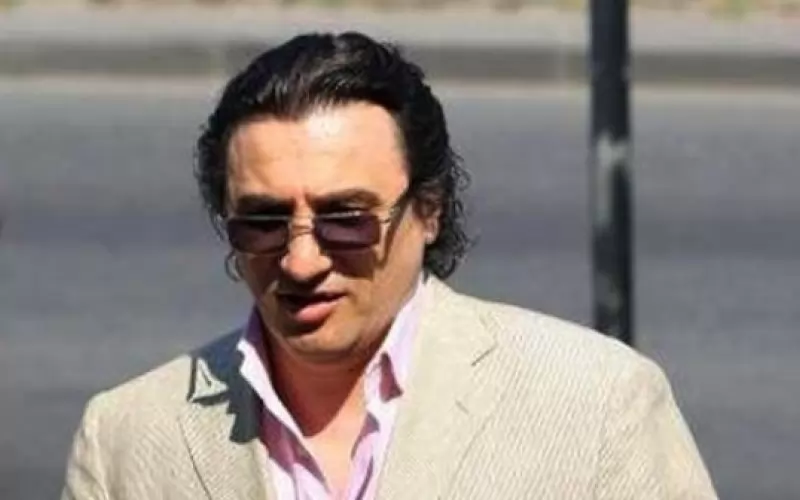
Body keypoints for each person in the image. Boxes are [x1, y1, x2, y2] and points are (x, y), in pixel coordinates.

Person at [62, 32, 716, 499]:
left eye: (346, 218)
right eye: (262, 222)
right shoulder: (127, 438)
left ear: (428, 211)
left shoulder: (597, 404)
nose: (301, 260)